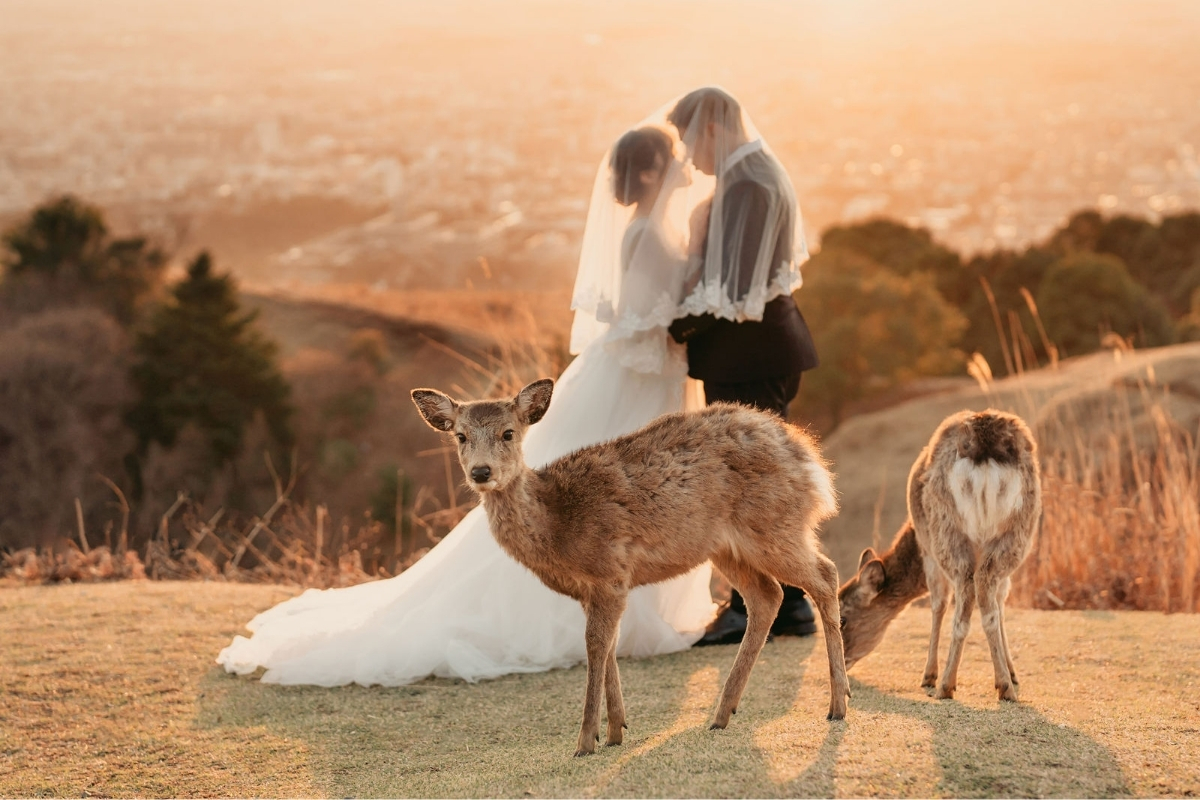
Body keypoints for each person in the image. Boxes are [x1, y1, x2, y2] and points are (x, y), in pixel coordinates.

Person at [216, 123, 716, 687]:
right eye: (675, 160)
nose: (686, 170)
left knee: (629, 504)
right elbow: (644, 317)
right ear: (650, 173)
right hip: (638, 376)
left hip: (643, 373)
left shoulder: (647, 228)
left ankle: (636, 611)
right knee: (615, 504)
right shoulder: (646, 234)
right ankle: (592, 614)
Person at [664, 87, 822, 646]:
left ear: (711, 128)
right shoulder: (754, 172)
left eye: (689, 139)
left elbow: (736, 292)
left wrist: (673, 325)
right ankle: (784, 604)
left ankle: (763, 605)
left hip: (751, 355)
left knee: (752, 486)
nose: (687, 155)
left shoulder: (750, 183)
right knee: (758, 483)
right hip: (756, 351)